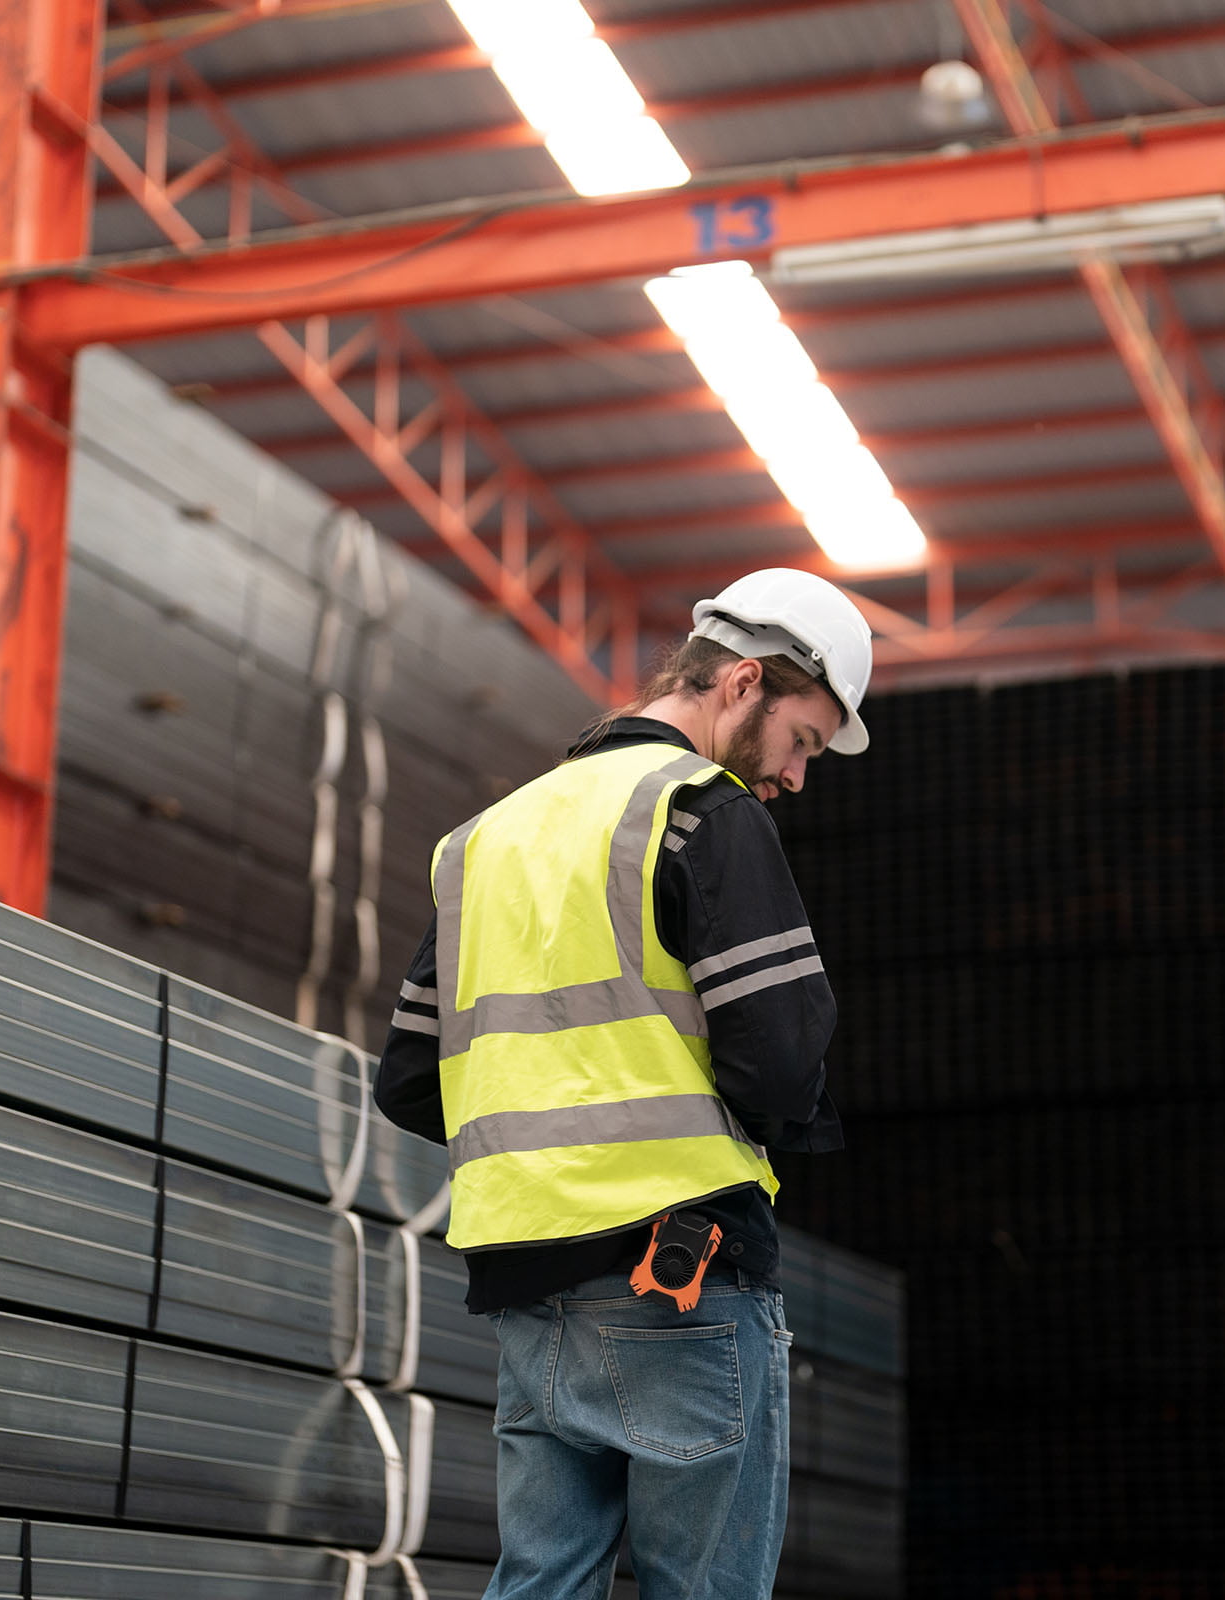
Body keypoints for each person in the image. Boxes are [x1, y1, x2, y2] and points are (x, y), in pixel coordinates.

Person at [373, 568, 875, 1599]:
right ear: (743, 684)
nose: (794, 776)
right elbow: (778, 1060)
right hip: (680, 1279)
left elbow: (413, 1081)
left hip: (526, 1296)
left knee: (541, 1584)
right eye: (804, 742)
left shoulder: (482, 841)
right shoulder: (701, 811)